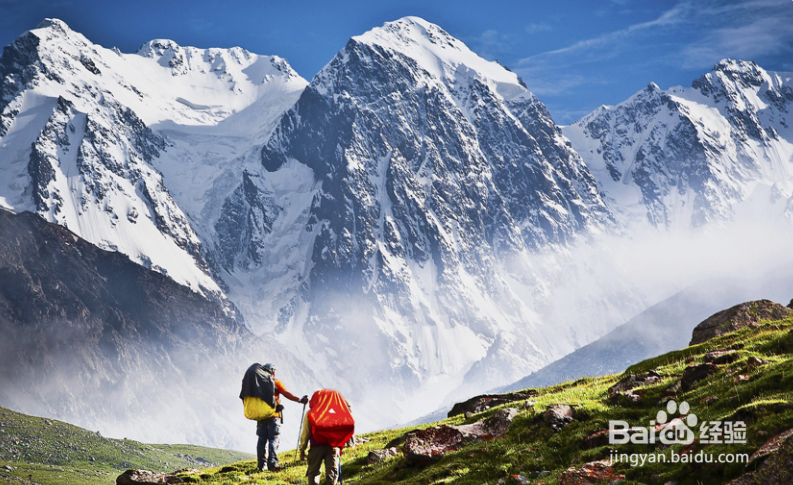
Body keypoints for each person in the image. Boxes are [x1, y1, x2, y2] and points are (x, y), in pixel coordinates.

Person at [256, 363, 308, 472]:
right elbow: (286, 393)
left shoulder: (257, 384)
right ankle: (272, 464)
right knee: (273, 440)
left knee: (261, 441)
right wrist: (300, 400)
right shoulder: (276, 383)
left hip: (261, 417)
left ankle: (261, 465)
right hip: (274, 416)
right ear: (272, 372)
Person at [298, 391, 353, 485]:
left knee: (313, 473)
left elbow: (306, 433)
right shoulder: (336, 411)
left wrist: (302, 450)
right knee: (332, 475)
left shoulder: (310, 413)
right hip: (333, 447)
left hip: (316, 447)